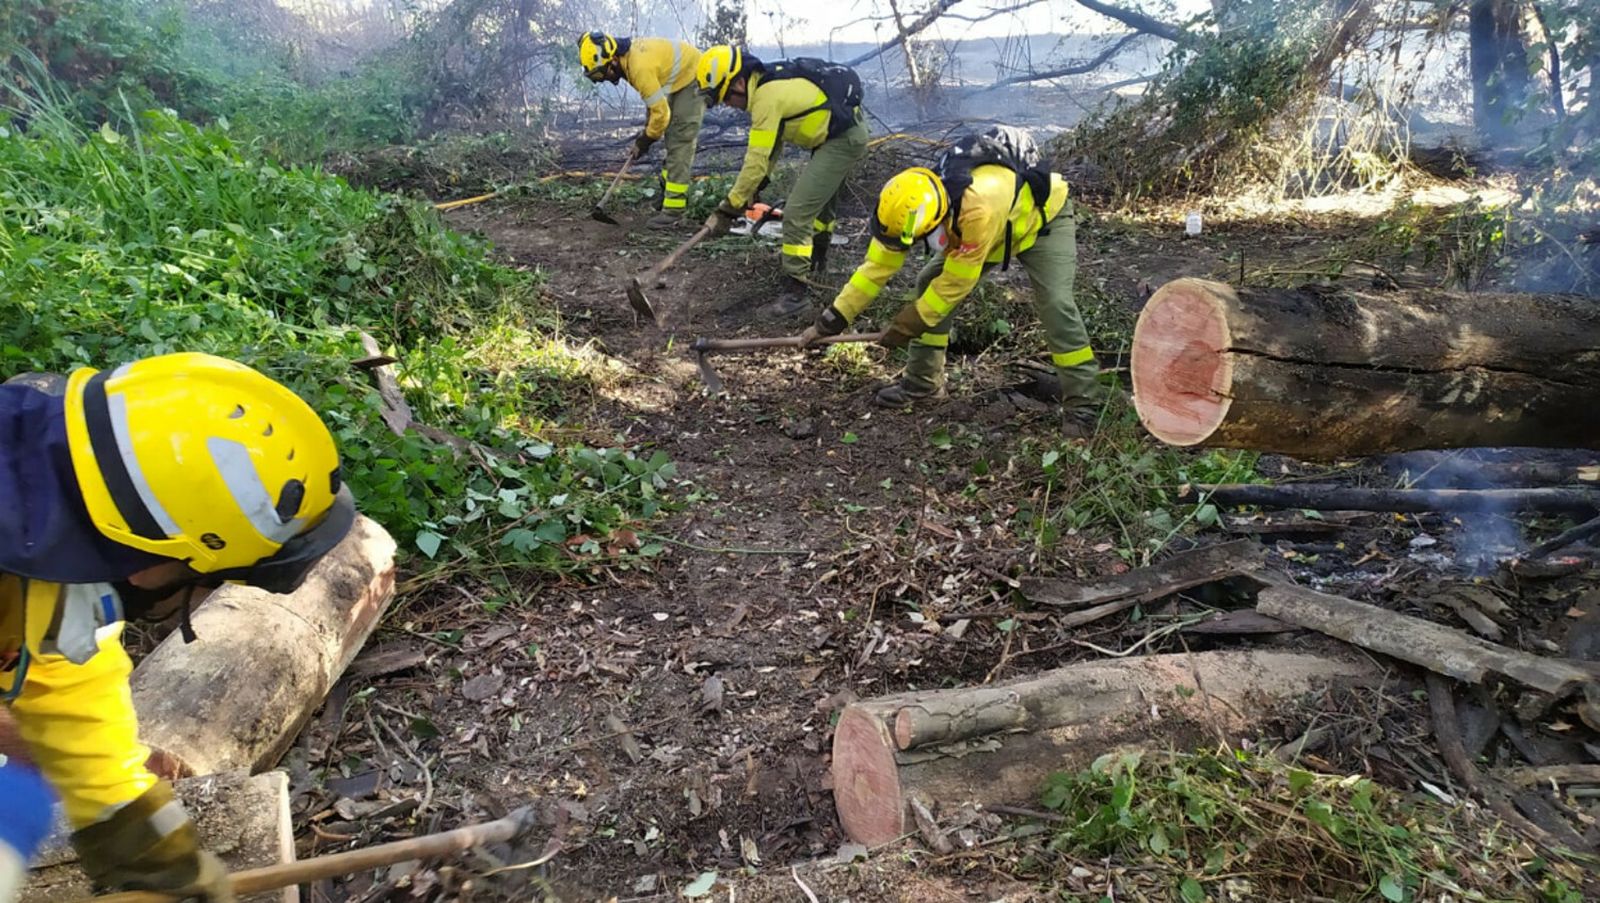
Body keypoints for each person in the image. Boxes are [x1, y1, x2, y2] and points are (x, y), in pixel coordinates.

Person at [0, 353, 356, 901]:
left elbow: (64, 675)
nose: (209, 596)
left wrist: (145, 843)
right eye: (214, 580)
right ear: (152, 560)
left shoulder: (43, 539)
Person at [800, 126, 1104, 431]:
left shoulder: (977, 207)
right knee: (927, 280)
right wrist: (831, 321)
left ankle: (1084, 405)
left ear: (936, 223)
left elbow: (955, 285)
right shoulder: (909, 203)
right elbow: (874, 270)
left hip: (1043, 223)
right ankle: (923, 385)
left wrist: (906, 325)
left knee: (1056, 303)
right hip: (992, 231)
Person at [695, 45, 869, 314]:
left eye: (726, 97)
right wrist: (758, 185)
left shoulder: (766, 96)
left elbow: (755, 160)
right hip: (835, 136)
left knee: (797, 213)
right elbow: (772, 147)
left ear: (740, 82)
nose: (729, 105)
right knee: (821, 205)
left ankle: (796, 295)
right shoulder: (766, 87)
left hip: (841, 140)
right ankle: (818, 264)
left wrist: (728, 208)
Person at [578, 31, 705, 229]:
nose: (604, 79)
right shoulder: (627, 61)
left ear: (612, 61)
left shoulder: (638, 67)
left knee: (679, 139)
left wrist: (644, 141)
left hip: (694, 77)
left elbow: (661, 115)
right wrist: (647, 132)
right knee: (670, 134)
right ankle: (667, 195)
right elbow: (653, 103)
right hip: (676, 80)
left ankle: (673, 212)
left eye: (602, 73)